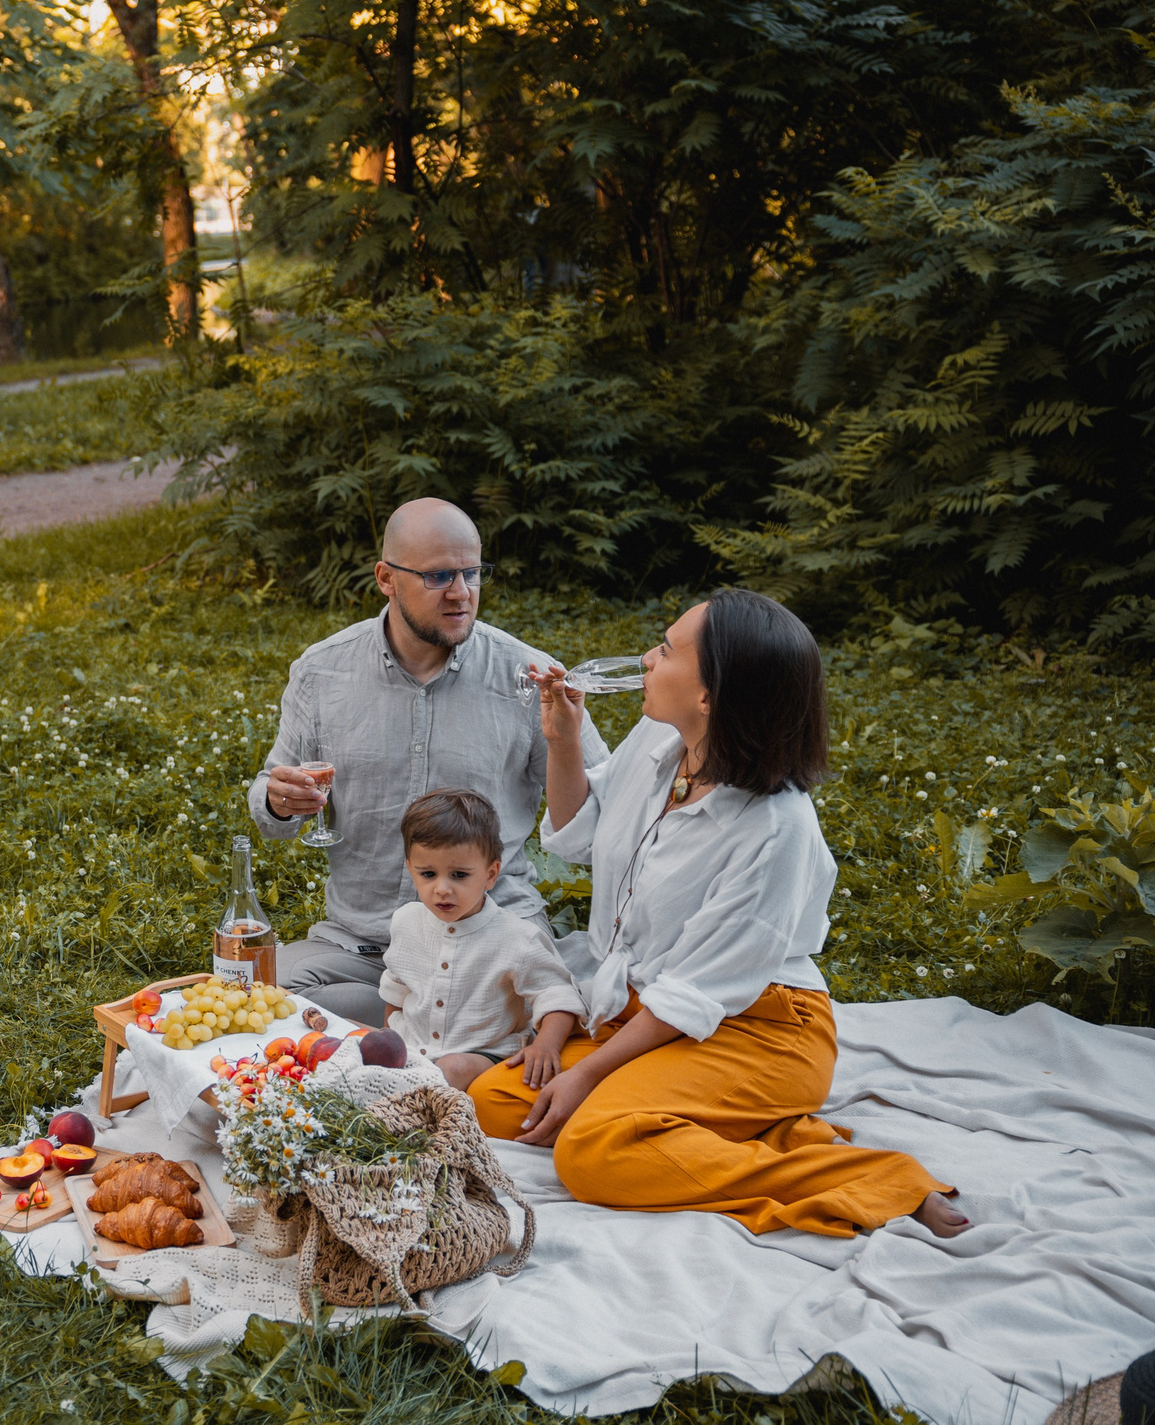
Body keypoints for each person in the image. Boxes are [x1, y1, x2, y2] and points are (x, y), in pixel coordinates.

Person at [464, 588, 969, 1240]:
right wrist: (562, 742)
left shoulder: (776, 828)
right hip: (649, 1012)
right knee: (496, 1101)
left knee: (593, 1147)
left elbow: (697, 992)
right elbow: (584, 836)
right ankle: (762, 1126)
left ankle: (872, 1180)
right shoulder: (660, 739)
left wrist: (589, 1069)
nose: (648, 657)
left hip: (759, 1028)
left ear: (710, 695)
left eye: (667, 648)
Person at [250, 498, 609, 1025]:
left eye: (472, 572)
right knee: (252, 999)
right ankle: (415, 1027)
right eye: (439, 576)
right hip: (361, 948)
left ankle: (412, 1032)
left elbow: (597, 820)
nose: (462, 593)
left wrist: (565, 744)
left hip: (488, 943)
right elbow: (273, 811)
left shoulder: (531, 677)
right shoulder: (322, 674)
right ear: (386, 578)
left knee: (307, 1034)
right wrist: (279, 802)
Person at [379, 788, 584, 1091]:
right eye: (428, 874)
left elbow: (556, 993)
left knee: (452, 1069)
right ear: (411, 869)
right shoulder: (406, 921)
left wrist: (547, 1045)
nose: (442, 889)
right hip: (415, 1045)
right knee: (358, 1045)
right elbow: (397, 990)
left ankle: (409, 1110)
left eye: (459, 875)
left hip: (480, 1054)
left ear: (490, 874)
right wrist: (389, 1039)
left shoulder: (517, 938)